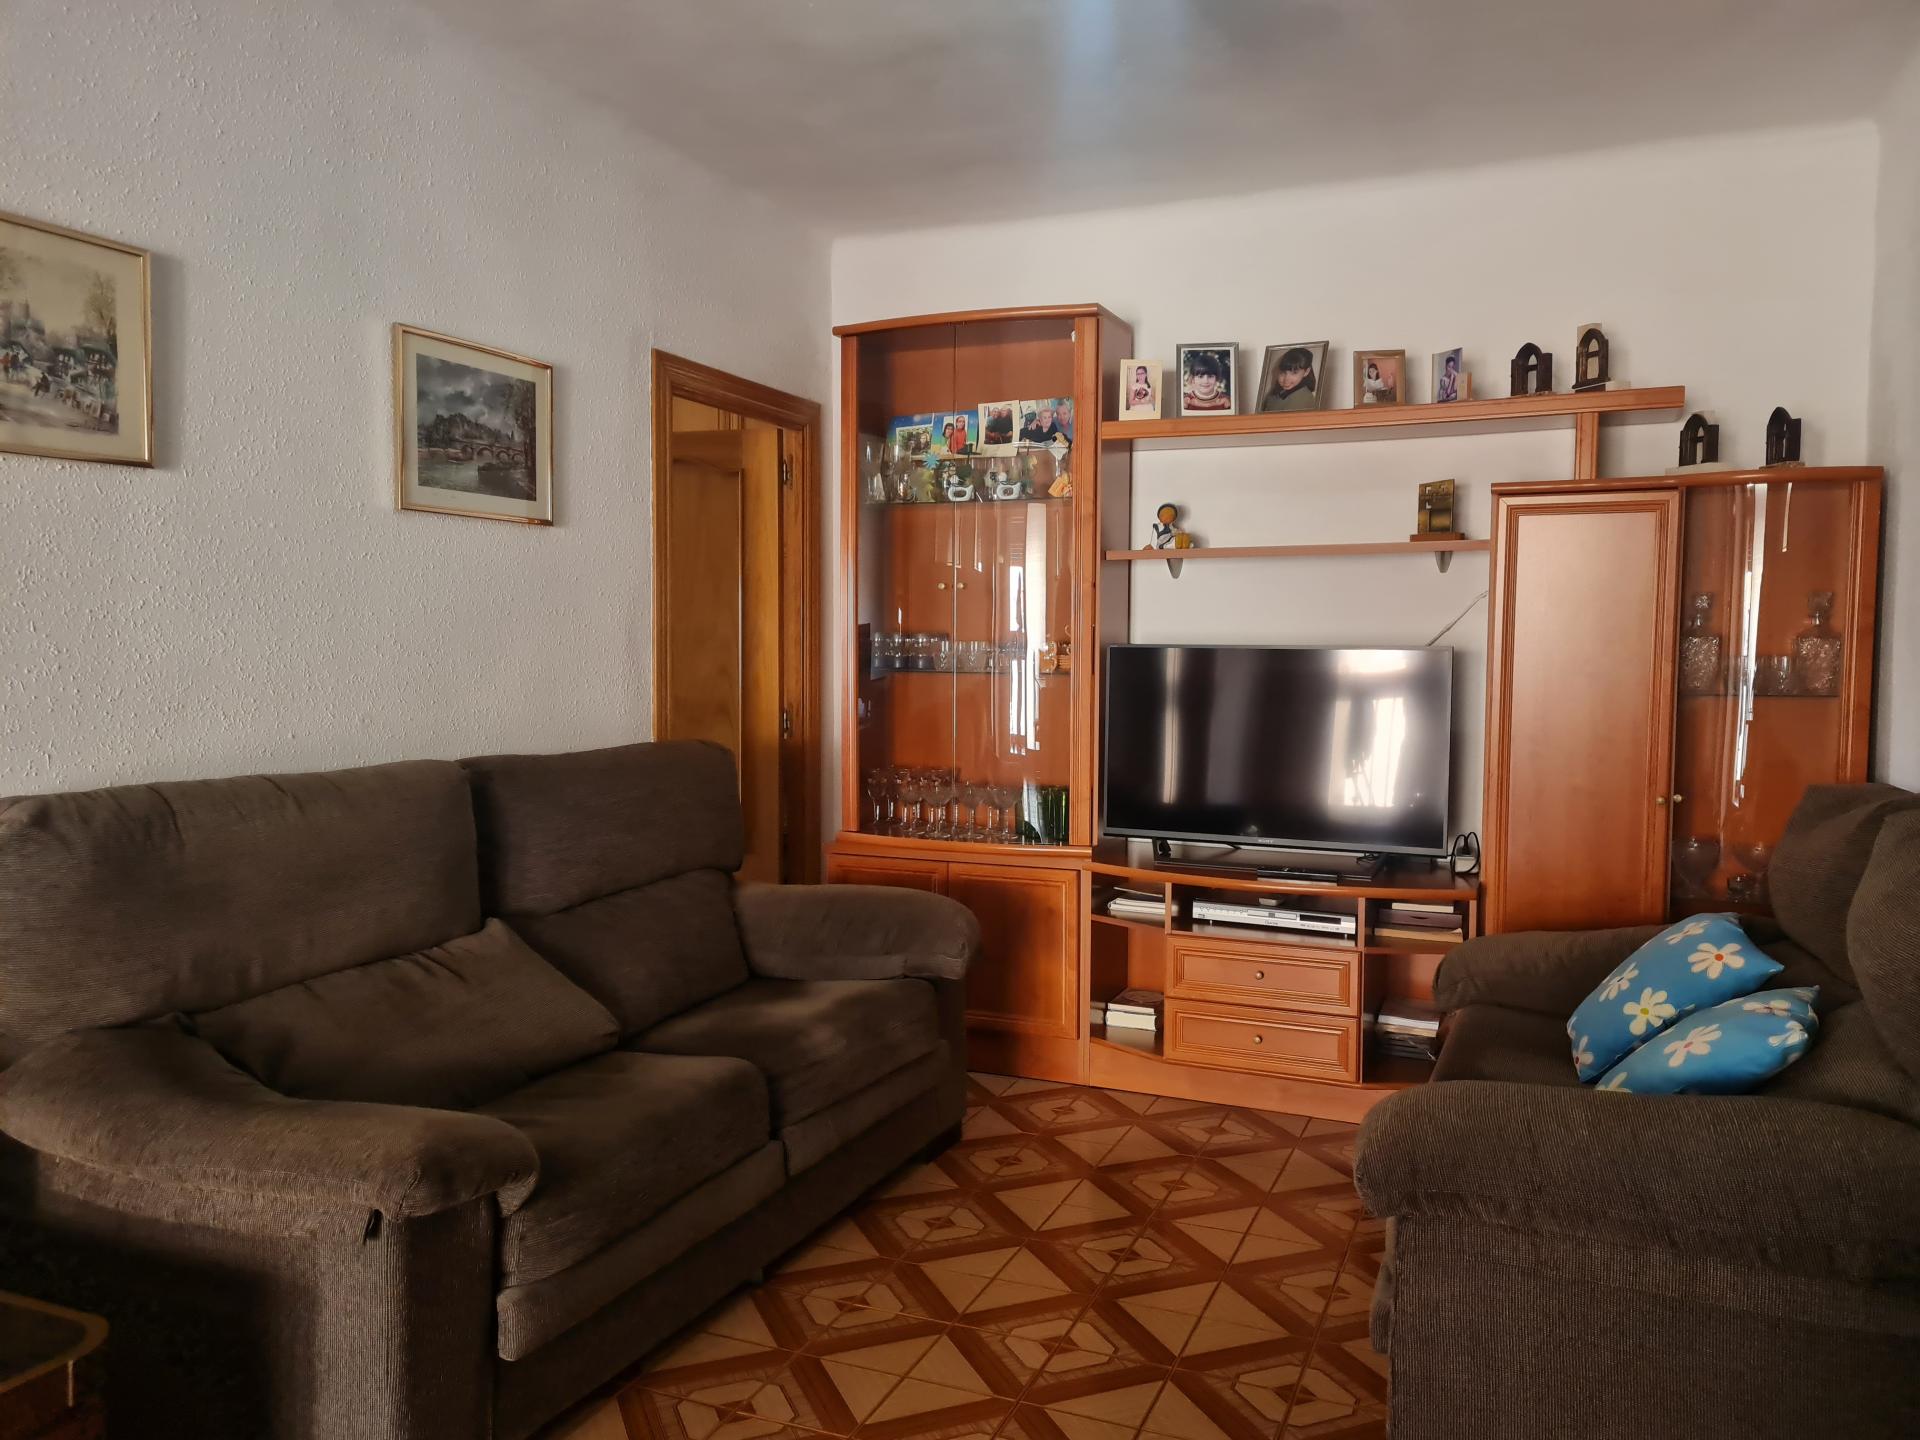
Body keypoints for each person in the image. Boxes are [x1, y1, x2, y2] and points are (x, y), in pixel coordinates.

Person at [1260, 346, 1319, 412]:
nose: (1286, 380)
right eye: (1283, 373)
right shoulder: (1277, 393)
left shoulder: (1303, 399)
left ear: (1306, 372)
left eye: (1294, 373)